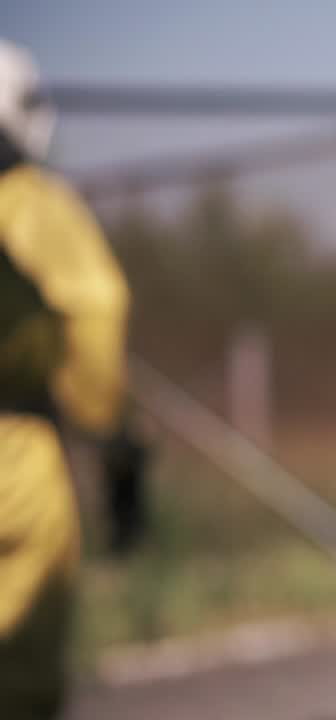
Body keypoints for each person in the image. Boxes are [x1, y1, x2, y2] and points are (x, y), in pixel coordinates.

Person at [0, 39, 129, 718]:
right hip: (15, 452)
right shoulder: (30, 204)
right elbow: (97, 309)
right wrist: (100, 422)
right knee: (21, 671)